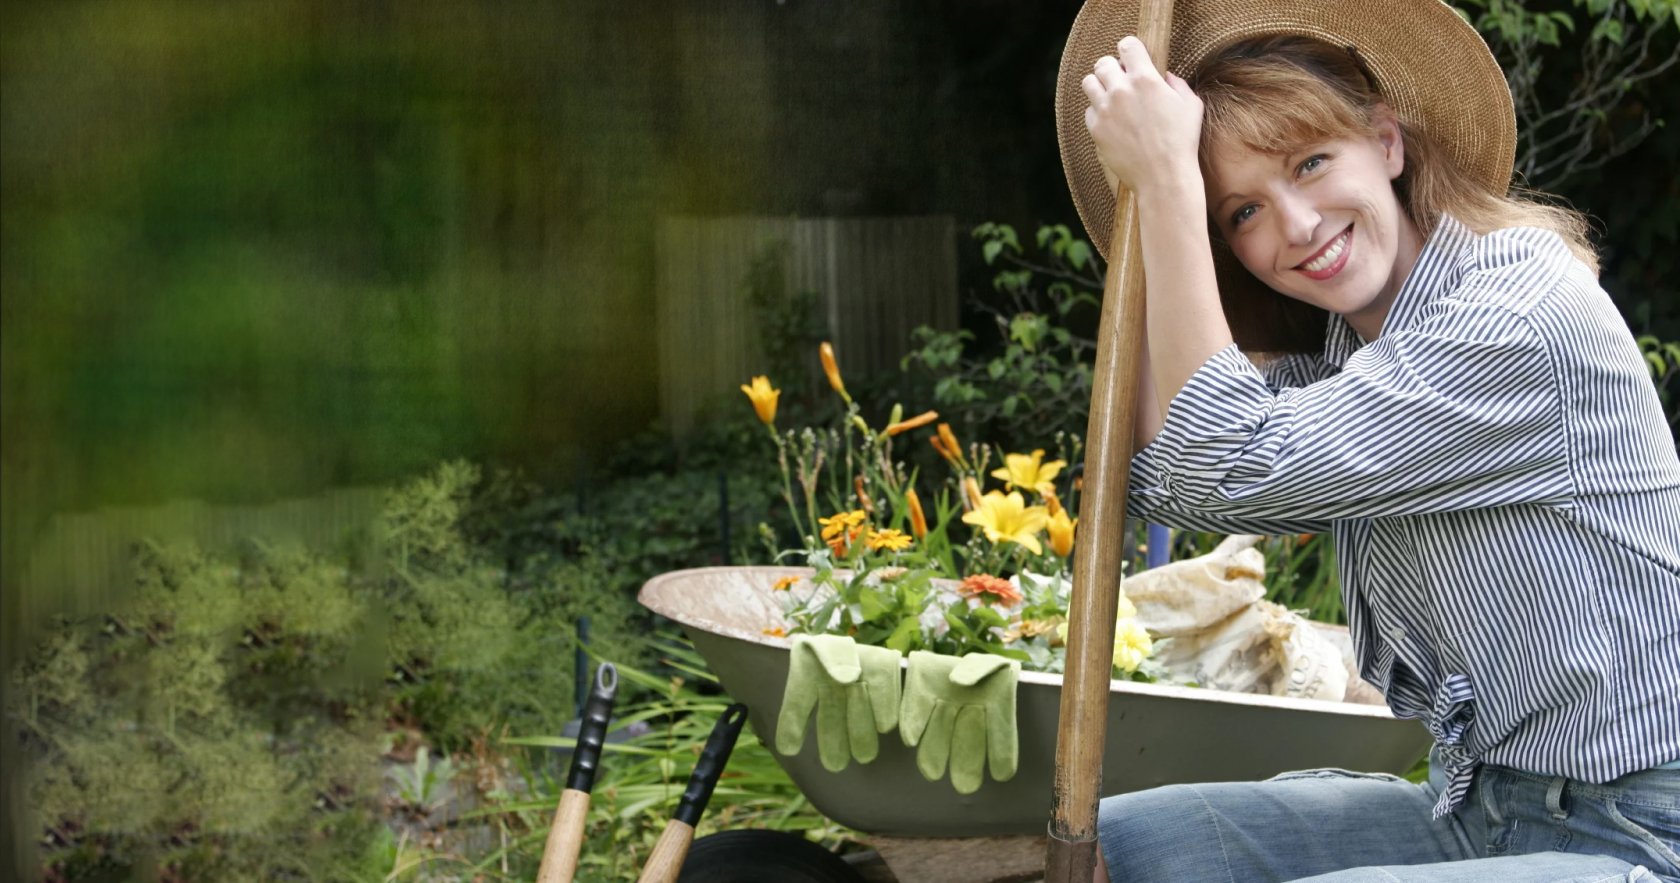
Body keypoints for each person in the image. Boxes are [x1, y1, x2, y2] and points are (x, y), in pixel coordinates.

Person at [1058, 0, 1680, 880]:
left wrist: (1166, 182)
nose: (1297, 225)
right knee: (1125, 848)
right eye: (1243, 212)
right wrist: (1160, 203)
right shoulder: (1358, 351)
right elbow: (1173, 474)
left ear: (1387, 141)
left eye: (1310, 163)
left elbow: (1231, 462)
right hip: (1482, 808)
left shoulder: (1515, 313)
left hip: (1643, 828)